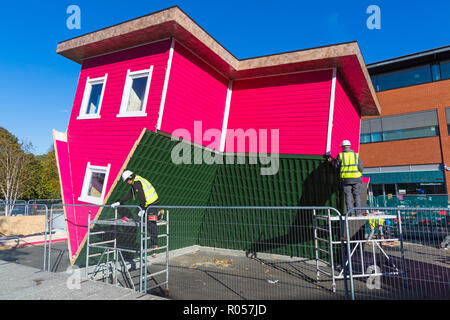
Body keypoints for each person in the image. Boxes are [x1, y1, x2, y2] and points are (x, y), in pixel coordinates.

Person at [111, 170, 162, 250]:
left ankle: (154, 243)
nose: (127, 182)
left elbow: (141, 196)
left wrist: (143, 209)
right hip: (151, 202)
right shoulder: (137, 180)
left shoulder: (136, 183)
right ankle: (158, 214)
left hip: (151, 203)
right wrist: (119, 202)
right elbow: (130, 194)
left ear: (130, 178)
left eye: (127, 180)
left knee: (150, 223)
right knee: (137, 212)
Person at [328, 140, 364, 214]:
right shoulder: (356, 155)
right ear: (349, 146)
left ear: (343, 147)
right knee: (357, 195)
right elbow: (361, 168)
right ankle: (358, 212)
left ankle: (350, 213)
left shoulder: (341, 155)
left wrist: (331, 161)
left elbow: (336, 166)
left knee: (348, 196)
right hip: (357, 179)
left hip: (346, 180)